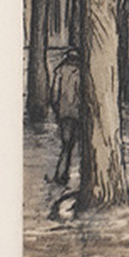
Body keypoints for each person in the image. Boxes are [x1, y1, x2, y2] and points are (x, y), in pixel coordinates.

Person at [51, 52, 81, 185]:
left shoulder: (59, 71)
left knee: (66, 145)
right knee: (75, 145)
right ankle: (68, 175)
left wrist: (57, 110)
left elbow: (54, 94)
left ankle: (61, 174)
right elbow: (82, 94)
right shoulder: (80, 72)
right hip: (77, 113)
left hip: (64, 114)